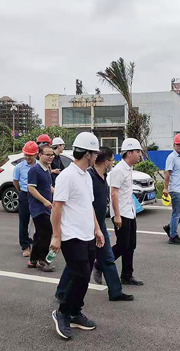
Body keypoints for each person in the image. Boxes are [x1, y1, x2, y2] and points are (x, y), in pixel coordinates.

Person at [57, 147, 134, 302]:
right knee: (78, 263)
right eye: (111, 160)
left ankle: (115, 292)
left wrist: (98, 228)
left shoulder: (103, 177)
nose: (113, 163)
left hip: (99, 226)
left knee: (108, 258)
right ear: (105, 162)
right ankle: (62, 292)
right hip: (84, 227)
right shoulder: (89, 177)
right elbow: (68, 204)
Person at [50, 132, 105, 340]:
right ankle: (62, 313)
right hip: (71, 235)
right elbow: (57, 207)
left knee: (84, 276)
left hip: (87, 234)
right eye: (95, 153)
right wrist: (56, 236)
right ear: (88, 154)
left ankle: (75, 312)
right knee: (79, 274)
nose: (96, 156)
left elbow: (88, 205)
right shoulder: (67, 176)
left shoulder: (86, 176)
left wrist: (97, 229)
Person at [109, 138, 144, 286]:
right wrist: (117, 216)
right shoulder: (119, 170)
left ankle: (127, 275)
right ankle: (101, 263)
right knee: (122, 245)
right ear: (129, 153)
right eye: (138, 151)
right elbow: (114, 193)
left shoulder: (129, 169)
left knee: (131, 245)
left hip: (129, 212)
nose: (140, 154)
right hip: (121, 213)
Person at [27, 144, 55, 272]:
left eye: (52, 155)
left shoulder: (47, 169)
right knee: (46, 232)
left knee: (39, 234)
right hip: (38, 208)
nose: (50, 157)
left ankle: (33, 260)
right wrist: (44, 201)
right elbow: (31, 188)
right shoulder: (35, 170)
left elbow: (48, 187)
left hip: (46, 207)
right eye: (47, 155)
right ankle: (42, 260)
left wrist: (58, 193)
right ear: (40, 155)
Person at [13, 141, 39, 257]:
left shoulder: (40, 166)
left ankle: (37, 244)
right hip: (25, 194)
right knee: (24, 221)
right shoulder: (19, 167)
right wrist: (22, 192)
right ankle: (25, 246)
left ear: (36, 154)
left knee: (39, 221)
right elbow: (16, 181)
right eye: (26, 155)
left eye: (30, 155)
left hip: (37, 195)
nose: (28, 157)